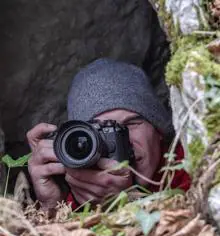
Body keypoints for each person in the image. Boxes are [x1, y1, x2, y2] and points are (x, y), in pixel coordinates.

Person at [27, 58, 191, 211]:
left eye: (131, 124)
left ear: (159, 130)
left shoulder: (195, 168)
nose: (123, 142)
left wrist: (124, 204)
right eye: (103, 132)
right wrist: (52, 207)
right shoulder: (77, 198)